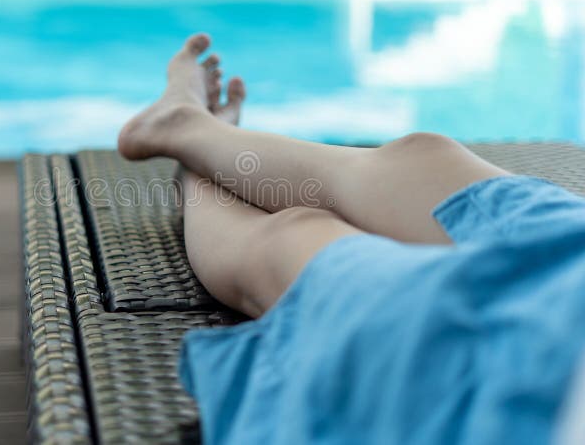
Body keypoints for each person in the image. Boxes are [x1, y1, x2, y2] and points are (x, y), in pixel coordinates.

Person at [117, 34, 585, 445]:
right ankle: (193, 129)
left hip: (522, 376)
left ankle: (192, 160)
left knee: (296, 239)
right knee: (425, 158)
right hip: (571, 270)